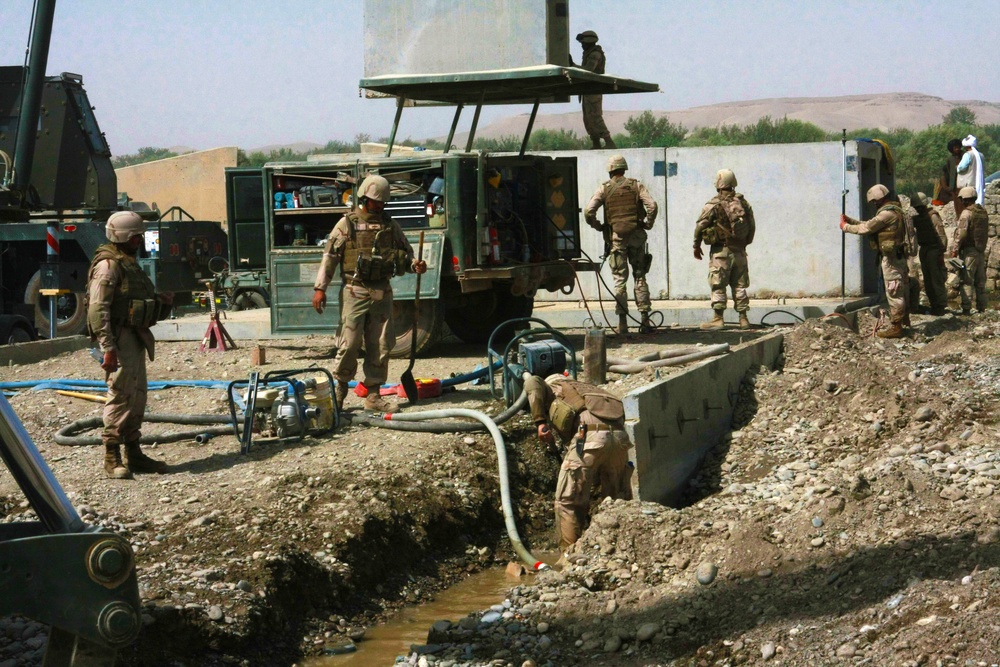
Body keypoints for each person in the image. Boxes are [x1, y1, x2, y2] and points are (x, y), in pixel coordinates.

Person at [312, 175, 427, 412]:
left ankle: (373, 395)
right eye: (376, 201)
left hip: (382, 291)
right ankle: (340, 392)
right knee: (350, 343)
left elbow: (405, 253)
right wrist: (320, 289)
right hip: (355, 290)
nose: (380, 205)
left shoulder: (390, 225)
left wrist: (415, 264)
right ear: (365, 198)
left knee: (381, 344)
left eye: (383, 202)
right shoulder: (348, 224)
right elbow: (330, 257)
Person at [87, 211, 172, 479]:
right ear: (123, 236)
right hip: (119, 338)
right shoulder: (109, 266)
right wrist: (108, 347)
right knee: (120, 395)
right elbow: (97, 308)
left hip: (135, 336)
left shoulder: (128, 263)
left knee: (137, 396)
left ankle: (134, 453)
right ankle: (112, 457)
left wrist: (162, 303)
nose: (139, 240)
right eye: (135, 236)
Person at [524, 373, 633, 553]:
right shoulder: (589, 391)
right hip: (621, 438)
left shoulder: (553, 386)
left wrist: (540, 422)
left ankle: (570, 557)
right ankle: (618, 553)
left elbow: (531, 381)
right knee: (616, 501)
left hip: (588, 437)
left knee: (568, 502)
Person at [584, 155, 658, 334]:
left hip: (617, 239)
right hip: (637, 237)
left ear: (610, 170)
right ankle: (645, 320)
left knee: (619, 280)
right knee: (640, 276)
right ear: (624, 168)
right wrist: (647, 224)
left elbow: (588, 211)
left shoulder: (604, 189)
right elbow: (652, 206)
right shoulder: (636, 185)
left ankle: (622, 322)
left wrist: (599, 227)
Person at [839, 184, 909, 338]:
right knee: (899, 291)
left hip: (891, 260)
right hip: (897, 257)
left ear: (878, 199)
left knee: (894, 292)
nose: (874, 205)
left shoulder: (887, 214)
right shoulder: (895, 210)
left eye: (874, 202)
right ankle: (903, 322)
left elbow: (867, 228)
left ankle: (897, 327)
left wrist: (845, 227)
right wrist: (851, 221)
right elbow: (870, 223)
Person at [693, 169, 756, 330]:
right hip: (740, 251)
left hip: (721, 252)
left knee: (718, 284)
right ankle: (743, 319)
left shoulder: (713, 204)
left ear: (718, 183)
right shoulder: (743, 202)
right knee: (740, 286)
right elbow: (752, 225)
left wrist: (696, 245)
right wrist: (744, 244)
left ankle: (718, 319)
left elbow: (700, 226)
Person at [570, 30, 616, 149]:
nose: (582, 45)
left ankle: (608, 141)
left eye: (583, 43)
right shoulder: (589, 53)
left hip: (593, 89)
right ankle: (596, 142)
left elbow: (588, 70)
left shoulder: (595, 54)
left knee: (595, 116)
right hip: (588, 90)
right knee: (588, 118)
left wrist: (573, 66)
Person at [951, 186, 989, 315]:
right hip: (980, 250)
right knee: (980, 282)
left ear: (964, 200)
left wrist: (954, 250)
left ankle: (966, 308)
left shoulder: (967, 213)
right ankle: (982, 308)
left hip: (969, 251)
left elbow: (961, 234)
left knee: (966, 280)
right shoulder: (982, 212)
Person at [911, 192, 949, 315]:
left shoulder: (933, 216)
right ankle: (934, 304)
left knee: (936, 278)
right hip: (925, 249)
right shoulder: (918, 218)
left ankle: (941, 305)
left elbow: (941, 235)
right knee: (927, 279)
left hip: (934, 249)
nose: (918, 209)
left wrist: (940, 253)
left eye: (919, 207)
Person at [956, 135, 986, 206]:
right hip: (979, 184)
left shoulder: (968, 155)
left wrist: (957, 167)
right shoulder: (981, 155)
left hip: (969, 184)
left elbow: (961, 167)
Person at [934, 138, 963, 205]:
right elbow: (952, 175)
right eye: (955, 148)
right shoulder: (951, 160)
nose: (957, 149)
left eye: (958, 147)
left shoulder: (964, 155)